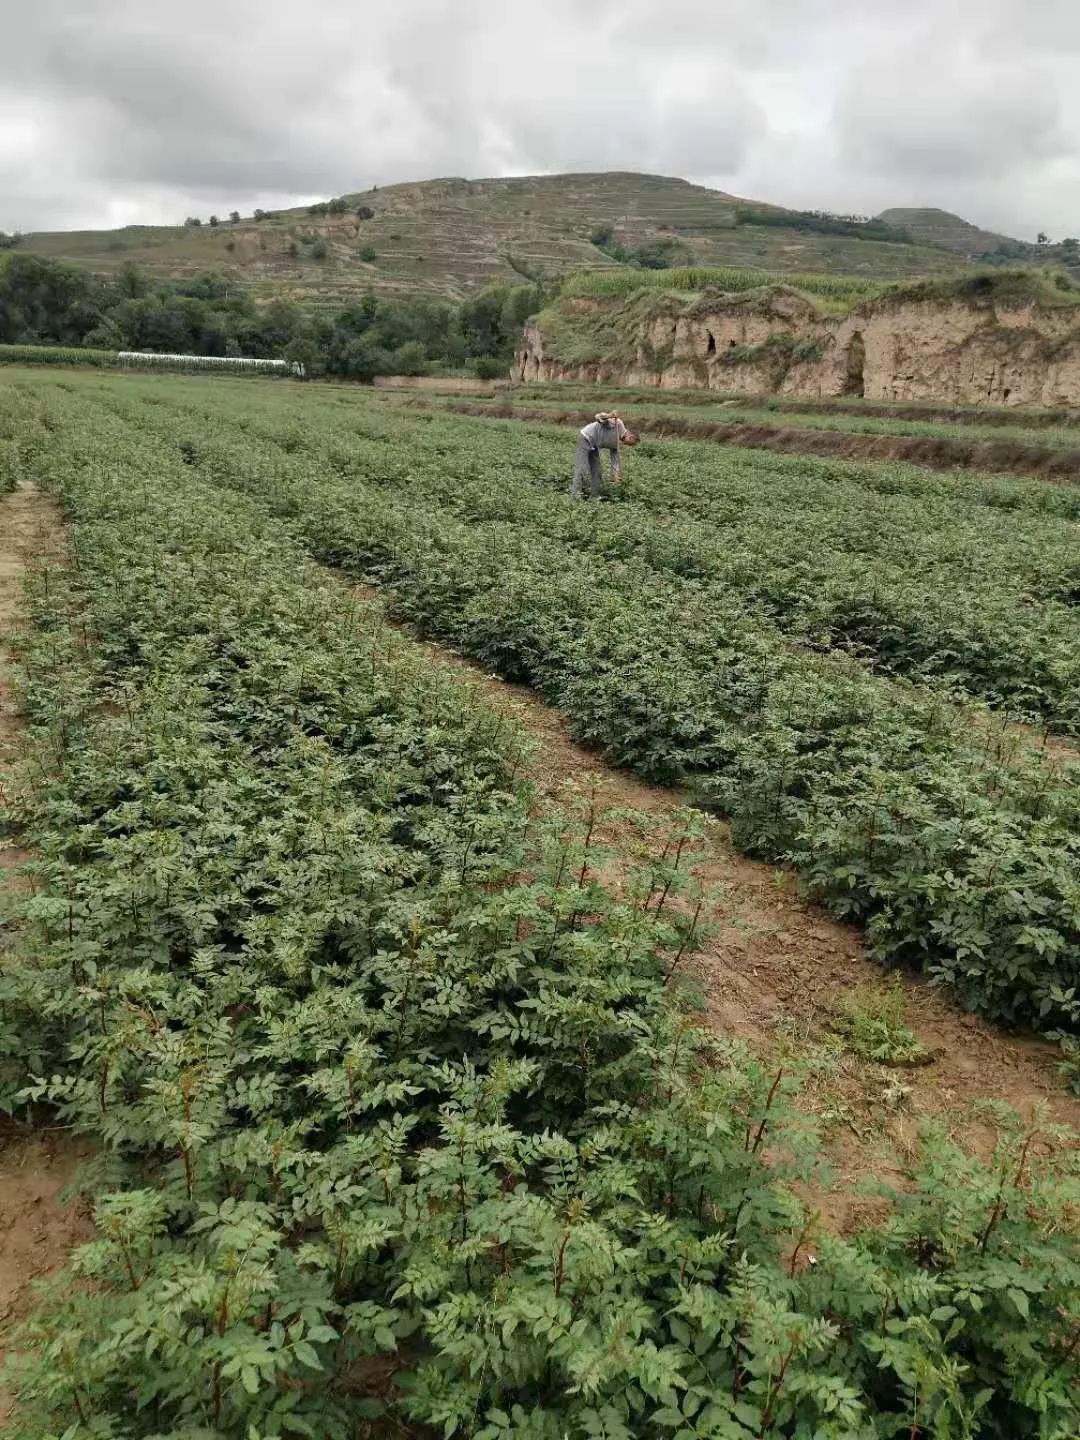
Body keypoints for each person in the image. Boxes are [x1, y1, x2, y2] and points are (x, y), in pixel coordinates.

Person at [570, 412, 638, 499]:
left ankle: (594, 496)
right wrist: (609, 416)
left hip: (594, 444)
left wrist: (616, 475)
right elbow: (598, 418)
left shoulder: (617, 444)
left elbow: (615, 461)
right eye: (629, 444)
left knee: (597, 471)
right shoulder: (618, 424)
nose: (626, 445)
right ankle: (575, 495)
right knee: (582, 468)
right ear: (630, 437)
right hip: (586, 438)